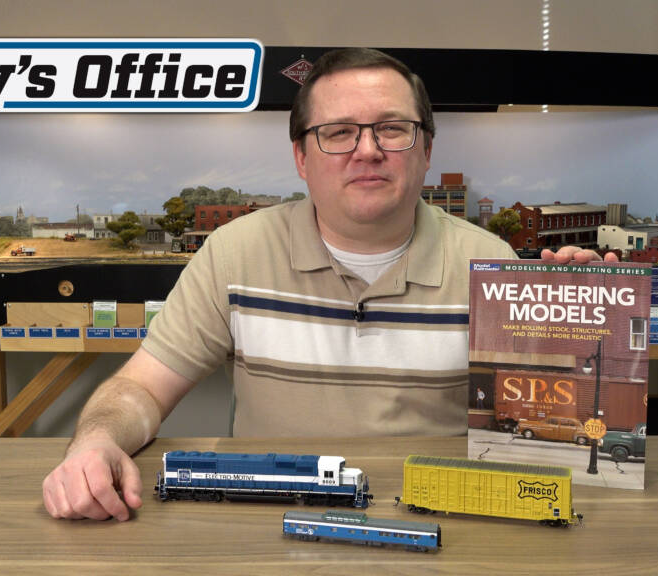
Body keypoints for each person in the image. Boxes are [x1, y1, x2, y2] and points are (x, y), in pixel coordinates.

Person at [42, 48, 614, 522]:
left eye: (393, 129)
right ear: (301, 156)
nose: (368, 150)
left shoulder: (488, 264)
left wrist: (585, 324)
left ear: (427, 151)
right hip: (270, 520)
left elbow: (550, 432)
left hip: (441, 520)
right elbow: (138, 391)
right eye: (338, 132)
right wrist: (96, 441)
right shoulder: (234, 253)